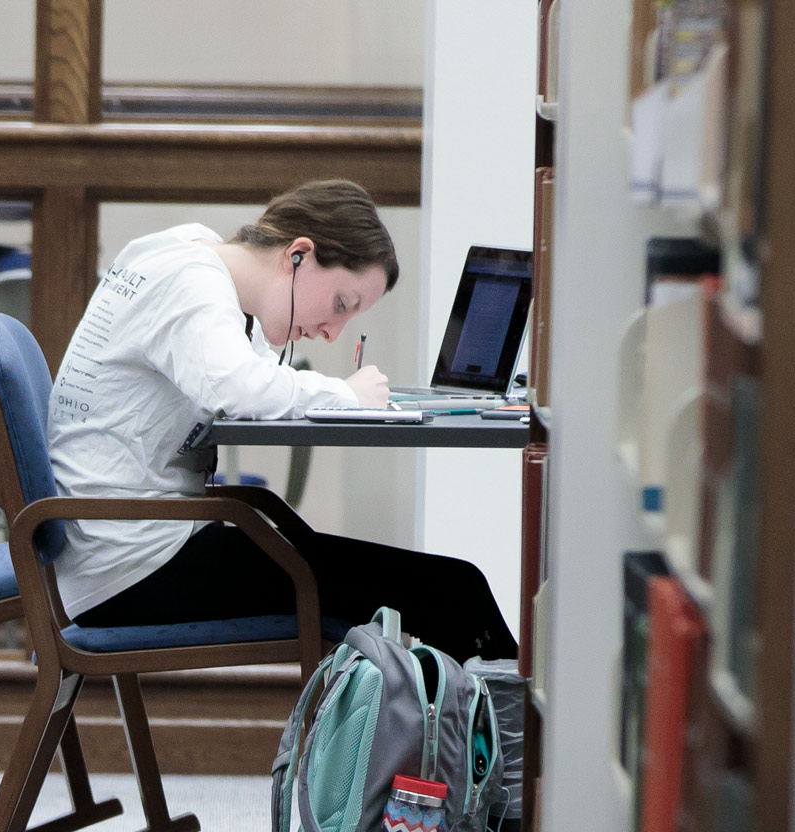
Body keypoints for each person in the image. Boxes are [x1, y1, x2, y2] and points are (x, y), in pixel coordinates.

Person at [50, 179, 517, 663]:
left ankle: (490, 731)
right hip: (132, 568)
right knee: (453, 591)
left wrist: (345, 396)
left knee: (443, 587)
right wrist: (346, 395)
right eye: (341, 305)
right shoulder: (192, 283)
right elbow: (240, 387)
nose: (332, 333)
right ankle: (528, 736)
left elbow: (251, 374)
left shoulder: (186, 253)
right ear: (299, 254)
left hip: (129, 549)